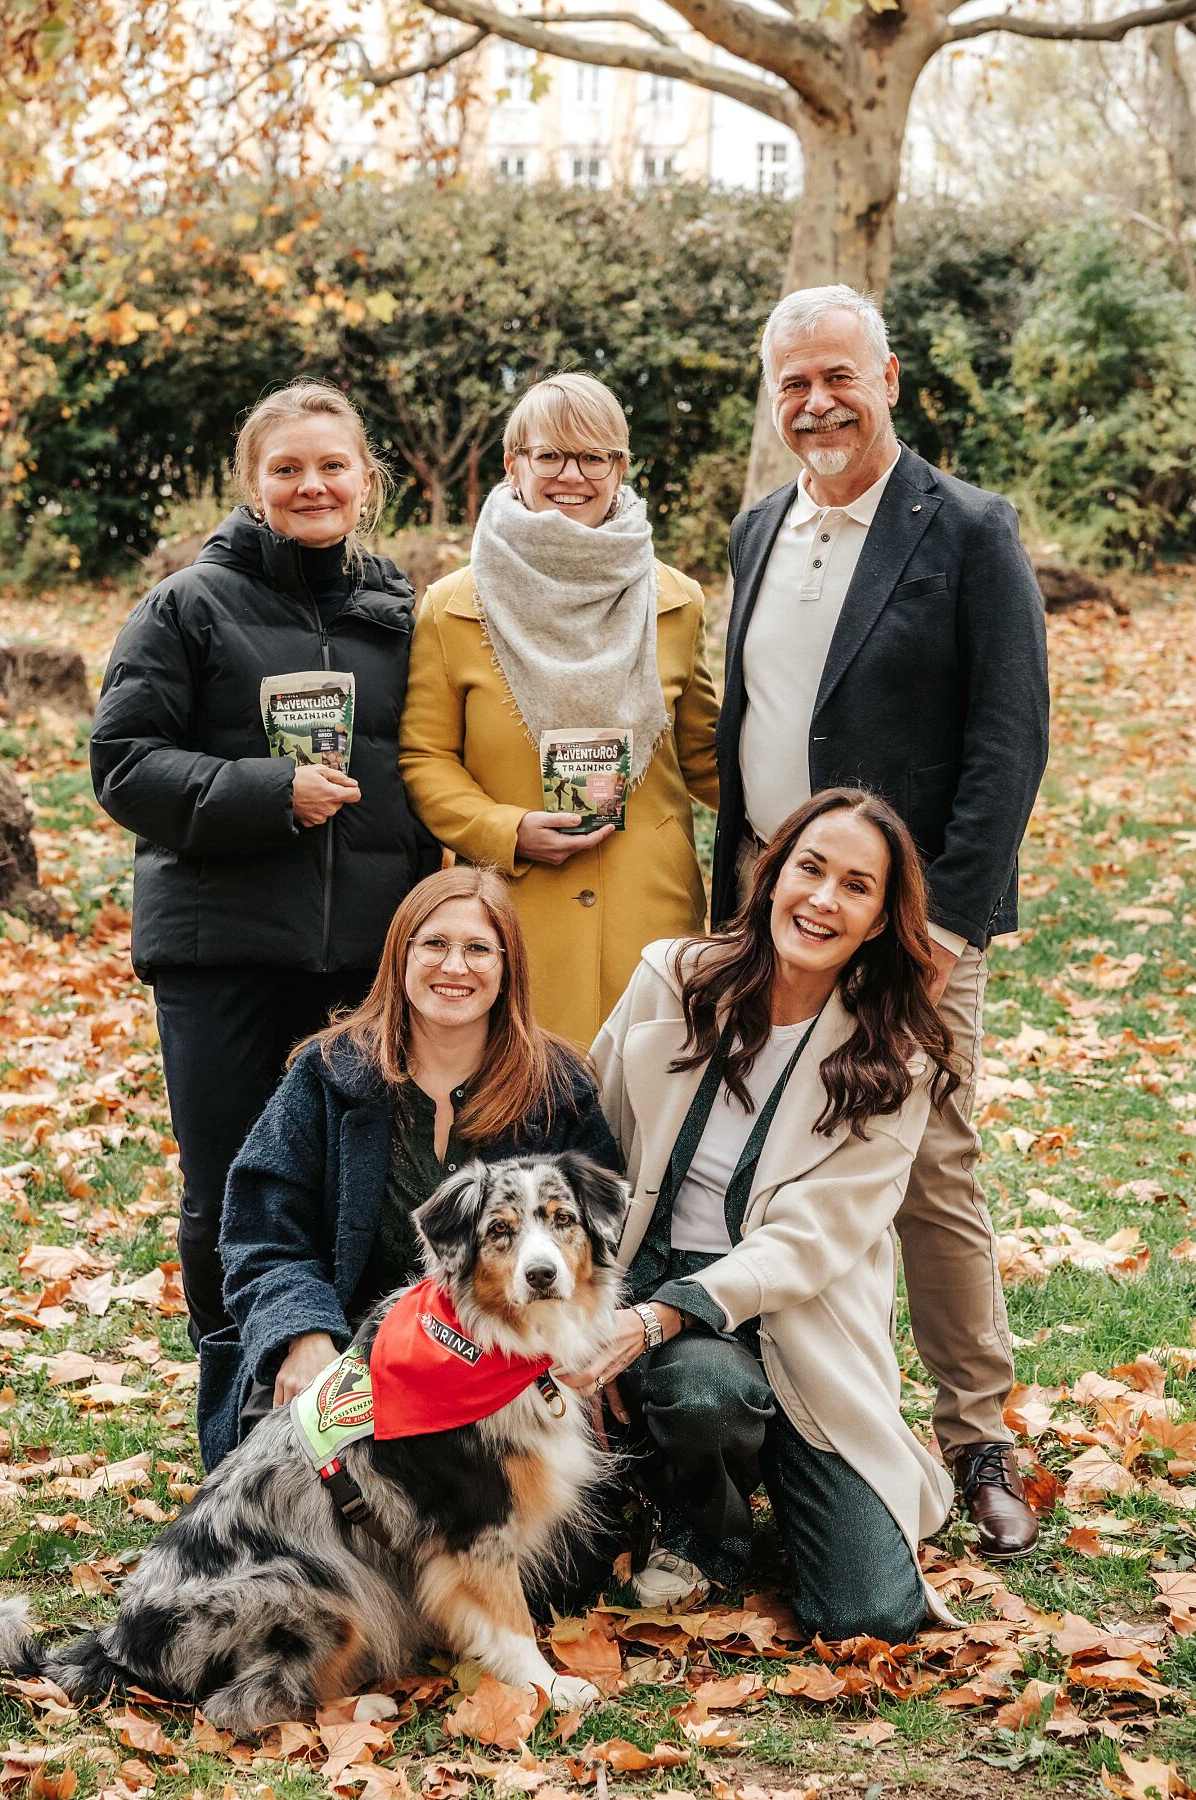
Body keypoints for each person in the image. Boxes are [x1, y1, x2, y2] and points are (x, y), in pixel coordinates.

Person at [710, 286, 1050, 1559]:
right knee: (759, 1165)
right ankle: (773, 1428)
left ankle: (978, 1443)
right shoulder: (756, 531)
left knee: (932, 1170)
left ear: (890, 377)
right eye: (793, 383)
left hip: (907, 922)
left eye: (839, 376)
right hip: (769, 912)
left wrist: (949, 922)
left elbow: (1009, 741)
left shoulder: (965, 529)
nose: (817, 403)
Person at [90, 381, 436, 1345]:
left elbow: (435, 765)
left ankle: (355, 1406)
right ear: (252, 483)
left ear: (366, 480)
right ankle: (236, 1399)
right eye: (287, 468)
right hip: (224, 952)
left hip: (369, 955)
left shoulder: (404, 616)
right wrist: (269, 792)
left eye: (332, 466)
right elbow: (122, 765)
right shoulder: (186, 606)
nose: (312, 486)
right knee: (236, 1189)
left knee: (361, 1188)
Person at [578, 789, 958, 1639]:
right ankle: (705, 1529)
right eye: (810, 868)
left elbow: (810, 1239)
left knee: (870, 1614)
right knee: (705, 1390)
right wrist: (595, 1309)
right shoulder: (670, 977)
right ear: (772, 872)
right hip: (648, 1291)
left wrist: (656, 1319)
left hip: (797, 1322)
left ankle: (785, 1466)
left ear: (878, 921)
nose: (823, 899)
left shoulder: (896, 1054)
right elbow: (588, 1143)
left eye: (856, 887)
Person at [197, 866, 621, 1471]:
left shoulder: (555, 1085)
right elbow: (263, 1229)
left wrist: (583, 1345)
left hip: (510, 1348)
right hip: (352, 1341)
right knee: (290, 1494)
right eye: (435, 945)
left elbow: (601, 1236)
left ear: (508, 969)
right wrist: (303, 1331)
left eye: (478, 949)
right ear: (401, 955)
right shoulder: (329, 1072)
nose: (455, 967)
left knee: (551, 1556)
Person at [399, 372, 719, 1051]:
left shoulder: (677, 601)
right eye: (550, 456)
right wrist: (507, 831)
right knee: (524, 1132)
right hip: (510, 913)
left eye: (593, 456)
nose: (571, 474)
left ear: (620, 468)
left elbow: (709, 758)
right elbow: (425, 758)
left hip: (651, 910)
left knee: (647, 1129)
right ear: (515, 464)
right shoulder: (454, 606)